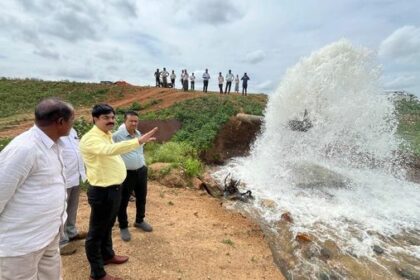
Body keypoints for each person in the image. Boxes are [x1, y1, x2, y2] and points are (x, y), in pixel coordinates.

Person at [80, 104, 157, 280]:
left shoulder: (105, 135)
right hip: (102, 191)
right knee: (96, 232)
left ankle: (107, 255)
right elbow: (109, 151)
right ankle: (97, 273)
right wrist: (138, 141)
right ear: (95, 119)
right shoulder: (91, 138)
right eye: (106, 118)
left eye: (113, 117)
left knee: (107, 226)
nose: (111, 121)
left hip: (114, 188)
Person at [0, 98, 74, 280]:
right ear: (61, 122)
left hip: (48, 235)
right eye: (72, 119)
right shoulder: (24, 149)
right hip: (21, 245)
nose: (73, 124)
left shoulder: (53, 144)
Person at [112, 111, 152, 242]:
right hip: (126, 174)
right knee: (123, 200)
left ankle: (139, 220)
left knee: (142, 197)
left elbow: (139, 150)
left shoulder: (139, 134)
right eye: (131, 121)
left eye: (136, 121)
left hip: (141, 171)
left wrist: (143, 165)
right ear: (125, 121)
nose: (134, 123)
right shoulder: (117, 136)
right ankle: (123, 226)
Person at [59, 127, 88, 256]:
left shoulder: (73, 131)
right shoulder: (55, 132)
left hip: (75, 176)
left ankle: (71, 232)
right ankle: (61, 242)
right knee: (60, 211)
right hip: (62, 178)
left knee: (72, 207)